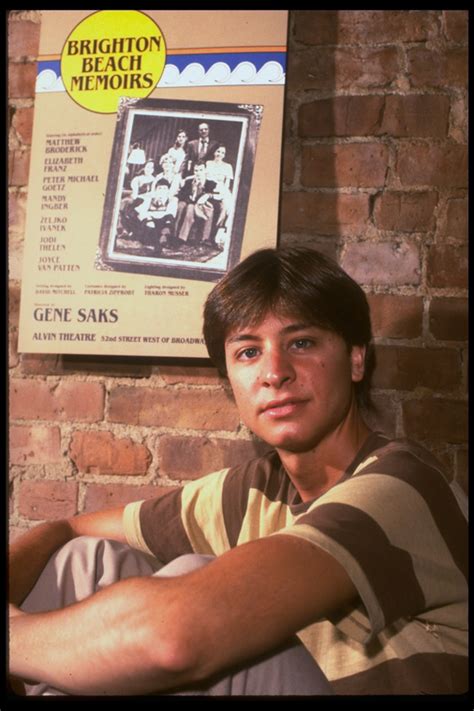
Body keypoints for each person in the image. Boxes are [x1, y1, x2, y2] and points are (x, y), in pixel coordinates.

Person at [9, 247, 468, 696]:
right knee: (83, 563)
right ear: (230, 379)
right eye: (248, 352)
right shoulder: (250, 492)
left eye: (302, 343)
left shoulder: (402, 484)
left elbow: (173, 637)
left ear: (355, 359)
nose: (274, 372)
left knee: (191, 598)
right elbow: (67, 528)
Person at [174, 162, 215, 245]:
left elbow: (214, 196)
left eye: (201, 170)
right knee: (187, 207)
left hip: (203, 205)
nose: (198, 173)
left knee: (193, 207)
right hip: (191, 203)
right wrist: (192, 192)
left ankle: (203, 238)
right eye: (196, 170)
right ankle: (180, 237)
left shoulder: (210, 183)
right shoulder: (189, 181)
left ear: (205, 170)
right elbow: (182, 194)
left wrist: (205, 195)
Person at [134, 178, 178, 253]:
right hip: (150, 222)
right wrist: (149, 218)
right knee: (148, 223)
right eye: (160, 188)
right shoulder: (149, 199)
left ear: (168, 190)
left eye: (165, 188)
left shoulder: (172, 200)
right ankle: (156, 245)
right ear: (156, 190)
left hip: (162, 223)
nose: (162, 190)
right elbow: (141, 211)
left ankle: (163, 239)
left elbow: (171, 213)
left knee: (169, 220)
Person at [205, 144, 234, 246]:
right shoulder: (208, 163)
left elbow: (227, 184)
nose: (220, 154)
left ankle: (216, 235)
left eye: (222, 153)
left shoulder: (227, 167)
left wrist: (222, 194)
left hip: (222, 191)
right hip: (210, 190)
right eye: (218, 151)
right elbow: (205, 180)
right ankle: (207, 236)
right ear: (214, 152)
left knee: (225, 208)